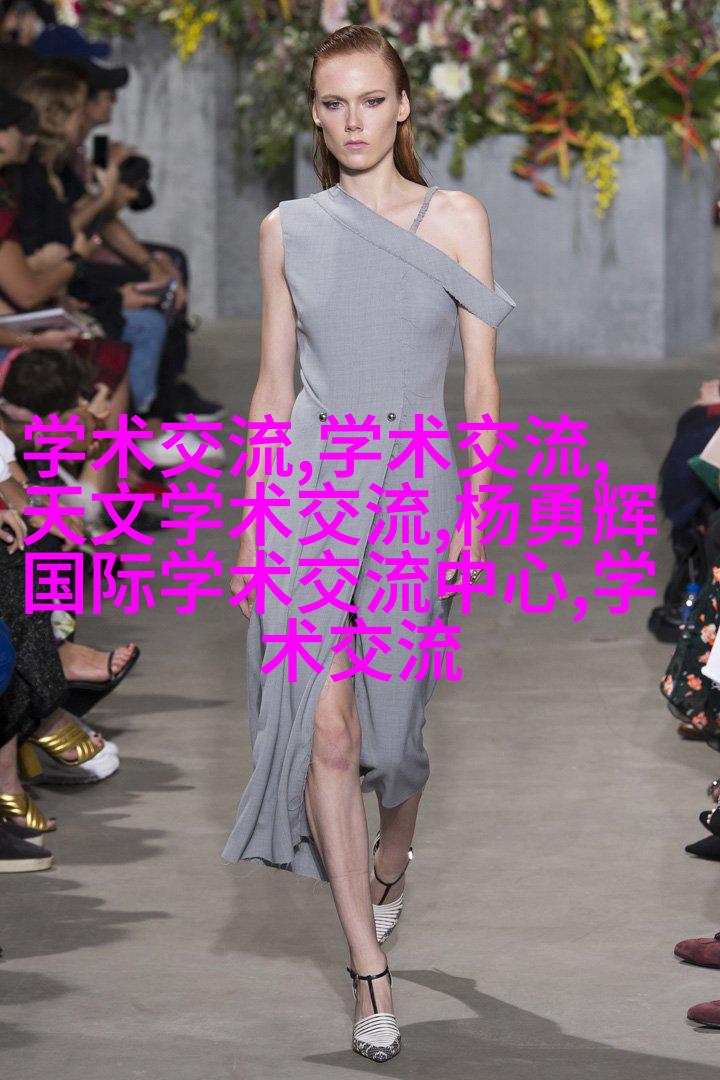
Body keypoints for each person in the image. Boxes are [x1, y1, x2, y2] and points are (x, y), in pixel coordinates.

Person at [222, 25, 516, 1063]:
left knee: (393, 742)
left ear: (404, 106)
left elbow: (480, 384)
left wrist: (476, 507)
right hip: (308, 483)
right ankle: (368, 970)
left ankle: (396, 847)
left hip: (415, 489)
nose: (354, 120)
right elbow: (272, 384)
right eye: (334, 102)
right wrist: (253, 521)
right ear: (315, 113)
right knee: (329, 733)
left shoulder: (458, 218)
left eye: (372, 100)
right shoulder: (288, 229)